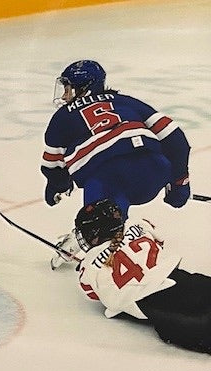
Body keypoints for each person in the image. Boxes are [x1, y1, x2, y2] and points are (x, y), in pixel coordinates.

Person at [40, 60, 191, 269]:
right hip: (155, 168)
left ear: (83, 89)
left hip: (107, 180)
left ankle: (100, 242)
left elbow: (53, 165)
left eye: (68, 89)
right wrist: (179, 181)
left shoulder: (62, 117)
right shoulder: (126, 101)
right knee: (114, 204)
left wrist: (57, 186)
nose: (65, 96)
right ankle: (125, 233)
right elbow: (176, 139)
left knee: (102, 220)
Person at [74, 199, 211, 354]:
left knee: (193, 326)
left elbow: (91, 293)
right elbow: (160, 241)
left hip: (149, 302)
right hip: (175, 277)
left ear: (95, 233)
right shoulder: (138, 225)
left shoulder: (89, 265)